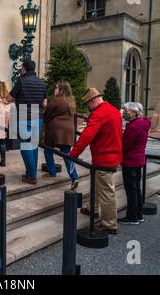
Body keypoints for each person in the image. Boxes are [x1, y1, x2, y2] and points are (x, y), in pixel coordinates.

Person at [70, 88, 122, 235]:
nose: (87, 108)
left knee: (106, 191)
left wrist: (73, 154)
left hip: (104, 158)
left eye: (87, 104)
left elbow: (87, 135)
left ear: (93, 101)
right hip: (111, 155)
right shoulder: (113, 110)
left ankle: (110, 224)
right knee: (97, 183)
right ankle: (92, 208)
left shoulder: (99, 113)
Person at [7, 60, 47, 185]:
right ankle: (31, 173)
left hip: (24, 114)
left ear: (24, 68)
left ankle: (31, 175)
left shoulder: (21, 81)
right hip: (38, 115)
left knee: (25, 145)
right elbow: (45, 102)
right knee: (33, 145)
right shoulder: (41, 82)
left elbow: (10, 98)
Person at [43, 81, 79, 190]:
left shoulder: (56, 100)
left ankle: (52, 172)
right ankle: (74, 177)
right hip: (68, 132)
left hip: (55, 130)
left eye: (56, 88)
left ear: (61, 89)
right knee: (67, 155)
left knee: (48, 150)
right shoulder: (71, 100)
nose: (55, 89)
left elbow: (46, 115)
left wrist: (45, 106)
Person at [119, 102, 151, 225]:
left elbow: (125, 145)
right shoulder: (143, 123)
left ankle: (132, 217)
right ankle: (138, 215)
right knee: (136, 188)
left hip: (130, 161)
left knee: (131, 190)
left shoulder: (134, 127)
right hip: (138, 160)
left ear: (133, 112)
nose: (125, 113)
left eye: (126, 110)